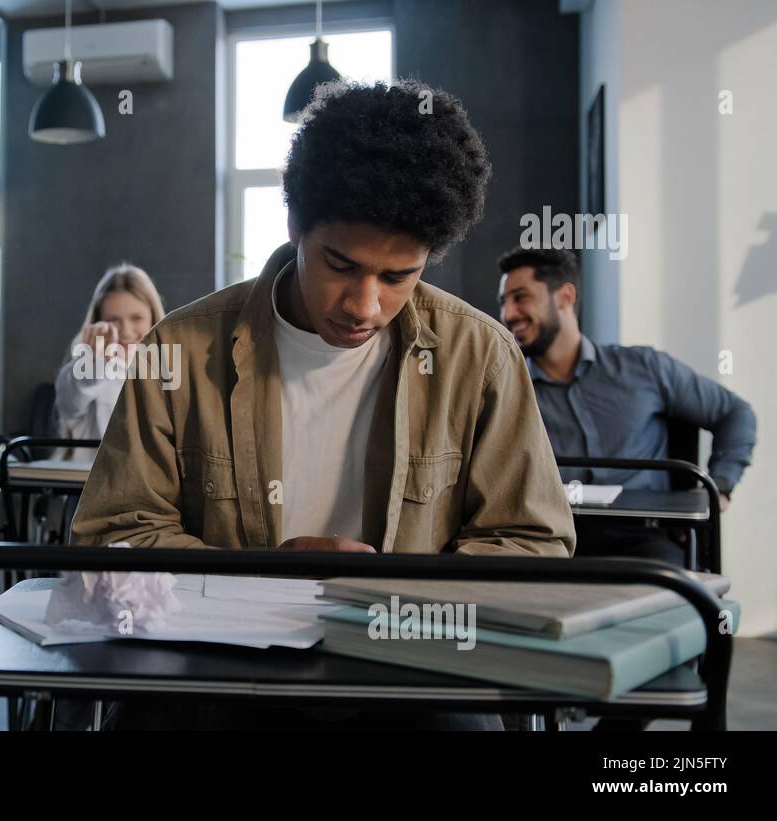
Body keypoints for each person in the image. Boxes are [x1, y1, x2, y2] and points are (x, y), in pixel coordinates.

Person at [68, 79, 573, 730]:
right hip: (217, 668)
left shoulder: (481, 356)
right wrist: (260, 577)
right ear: (294, 227)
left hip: (407, 671)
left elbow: (534, 541)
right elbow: (114, 537)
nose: (364, 305)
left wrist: (393, 594)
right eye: (340, 264)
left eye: (398, 276)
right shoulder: (181, 349)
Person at [497, 246, 756, 565]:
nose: (508, 314)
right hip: (552, 540)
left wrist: (722, 487)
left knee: (669, 598)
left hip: (644, 541)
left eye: (520, 297)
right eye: (504, 302)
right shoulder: (507, 387)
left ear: (565, 296)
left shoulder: (645, 368)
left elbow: (735, 413)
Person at [53, 263, 165, 462]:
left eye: (137, 318)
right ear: (97, 323)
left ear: (153, 319)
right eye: (113, 320)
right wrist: (97, 359)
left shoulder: (168, 367)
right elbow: (73, 398)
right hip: (88, 486)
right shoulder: (81, 369)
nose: (126, 331)